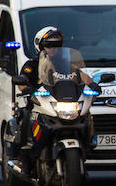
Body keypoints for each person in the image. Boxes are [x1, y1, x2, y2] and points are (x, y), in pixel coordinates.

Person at [10, 27, 95, 172]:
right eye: (49, 46)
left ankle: (88, 144)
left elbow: (81, 75)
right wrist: (26, 88)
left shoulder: (66, 63)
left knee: (86, 115)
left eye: (56, 46)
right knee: (25, 118)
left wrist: (92, 84)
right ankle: (23, 159)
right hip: (39, 103)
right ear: (40, 46)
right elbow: (22, 80)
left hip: (61, 102)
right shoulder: (32, 65)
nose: (53, 49)